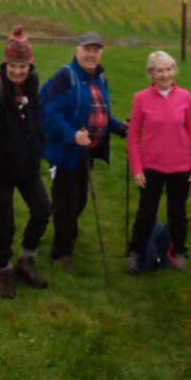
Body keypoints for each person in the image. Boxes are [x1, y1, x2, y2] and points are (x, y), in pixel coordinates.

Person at [0, 26, 51, 298]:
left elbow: (35, 117)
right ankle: (2, 269)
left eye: (23, 65)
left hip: (27, 166)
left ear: (30, 65)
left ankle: (26, 260)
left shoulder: (33, 82)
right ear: (5, 64)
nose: (18, 70)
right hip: (0, 168)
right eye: (13, 65)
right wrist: (7, 147)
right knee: (5, 221)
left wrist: (38, 144)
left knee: (42, 210)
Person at [42, 31, 127, 270]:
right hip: (65, 152)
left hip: (86, 154)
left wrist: (121, 127)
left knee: (78, 200)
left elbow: (101, 113)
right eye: (86, 49)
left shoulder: (99, 79)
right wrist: (72, 135)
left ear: (101, 53)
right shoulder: (65, 76)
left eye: (96, 50)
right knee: (66, 201)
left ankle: (66, 238)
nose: (91, 54)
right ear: (76, 51)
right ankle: (61, 252)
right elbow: (51, 113)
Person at [124, 50, 191, 273]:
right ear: (151, 73)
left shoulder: (185, 97)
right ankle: (135, 250)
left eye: (169, 69)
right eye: (160, 70)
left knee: (177, 212)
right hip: (151, 167)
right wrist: (136, 168)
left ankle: (179, 251)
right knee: (146, 212)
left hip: (181, 167)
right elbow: (133, 137)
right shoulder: (140, 99)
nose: (166, 75)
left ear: (174, 70)